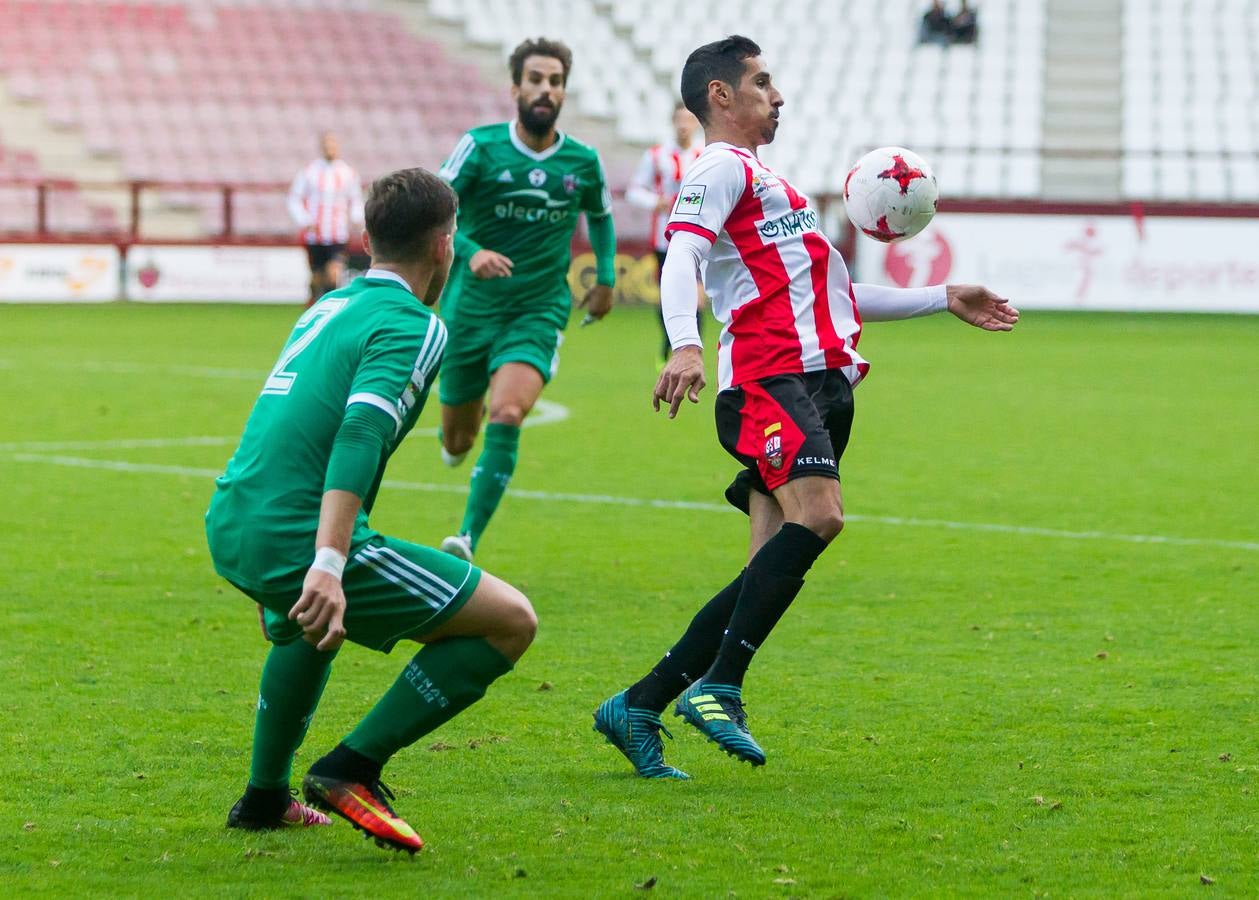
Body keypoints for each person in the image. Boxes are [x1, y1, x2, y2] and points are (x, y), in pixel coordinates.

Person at [592, 35, 1018, 779]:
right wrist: (684, 344)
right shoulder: (719, 168)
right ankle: (719, 685)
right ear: (720, 97)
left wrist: (942, 297)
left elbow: (836, 294)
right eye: (760, 82)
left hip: (816, 384)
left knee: (764, 569)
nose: (777, 95)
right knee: (819, 514)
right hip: (768, 379)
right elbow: (683, 251)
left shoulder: (769, 184)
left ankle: (638, 703)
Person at [208, 168, 537, 852]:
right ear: (445, 246)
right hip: (300, 534)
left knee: (310, 630)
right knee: (510, 623)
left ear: (365, 237)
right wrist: (327, 560)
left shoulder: (326, 305)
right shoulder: (416, 325)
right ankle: (349, 768)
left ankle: (264, 798)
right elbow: (360, 432)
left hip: (234, 516)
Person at [434, 37, 616, 562]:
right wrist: (469, 251)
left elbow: (600, 217)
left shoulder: (582, 160)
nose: (545, 89)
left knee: (509, 410)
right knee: (457, 440)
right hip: (471, 310)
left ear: (563, 92)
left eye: (555, 81)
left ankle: (465, 538)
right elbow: (438, 210)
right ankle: (456, 445)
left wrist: (604, 276)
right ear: (516, 87)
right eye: (536, 79)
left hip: (537, 309)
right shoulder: (480, 146)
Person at [626, 102, 705, 366]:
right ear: (673, 122)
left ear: (695, 123)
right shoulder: (657, 155)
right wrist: (654, 202)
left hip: (700, 237)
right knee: (669, 295)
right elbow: (634, 191)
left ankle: (693, 354)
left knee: (697, 297)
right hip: (664, 238)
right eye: (679, 120)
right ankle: (669, 344)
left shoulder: (705, 154)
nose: (683, 125)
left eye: (688, 119)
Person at [287, 132, 364, 307]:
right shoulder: (309, 172)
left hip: (337, 233)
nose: (330, 149)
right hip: (315, 234)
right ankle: (313, 301)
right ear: (322, 148)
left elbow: (355, 199)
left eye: (333, 145)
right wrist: (305, 220)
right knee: (316, 277)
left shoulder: (348, 173)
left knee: (333, 273)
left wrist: (356, 217)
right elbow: (294, 198)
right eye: (327, 145)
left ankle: (328, 308)